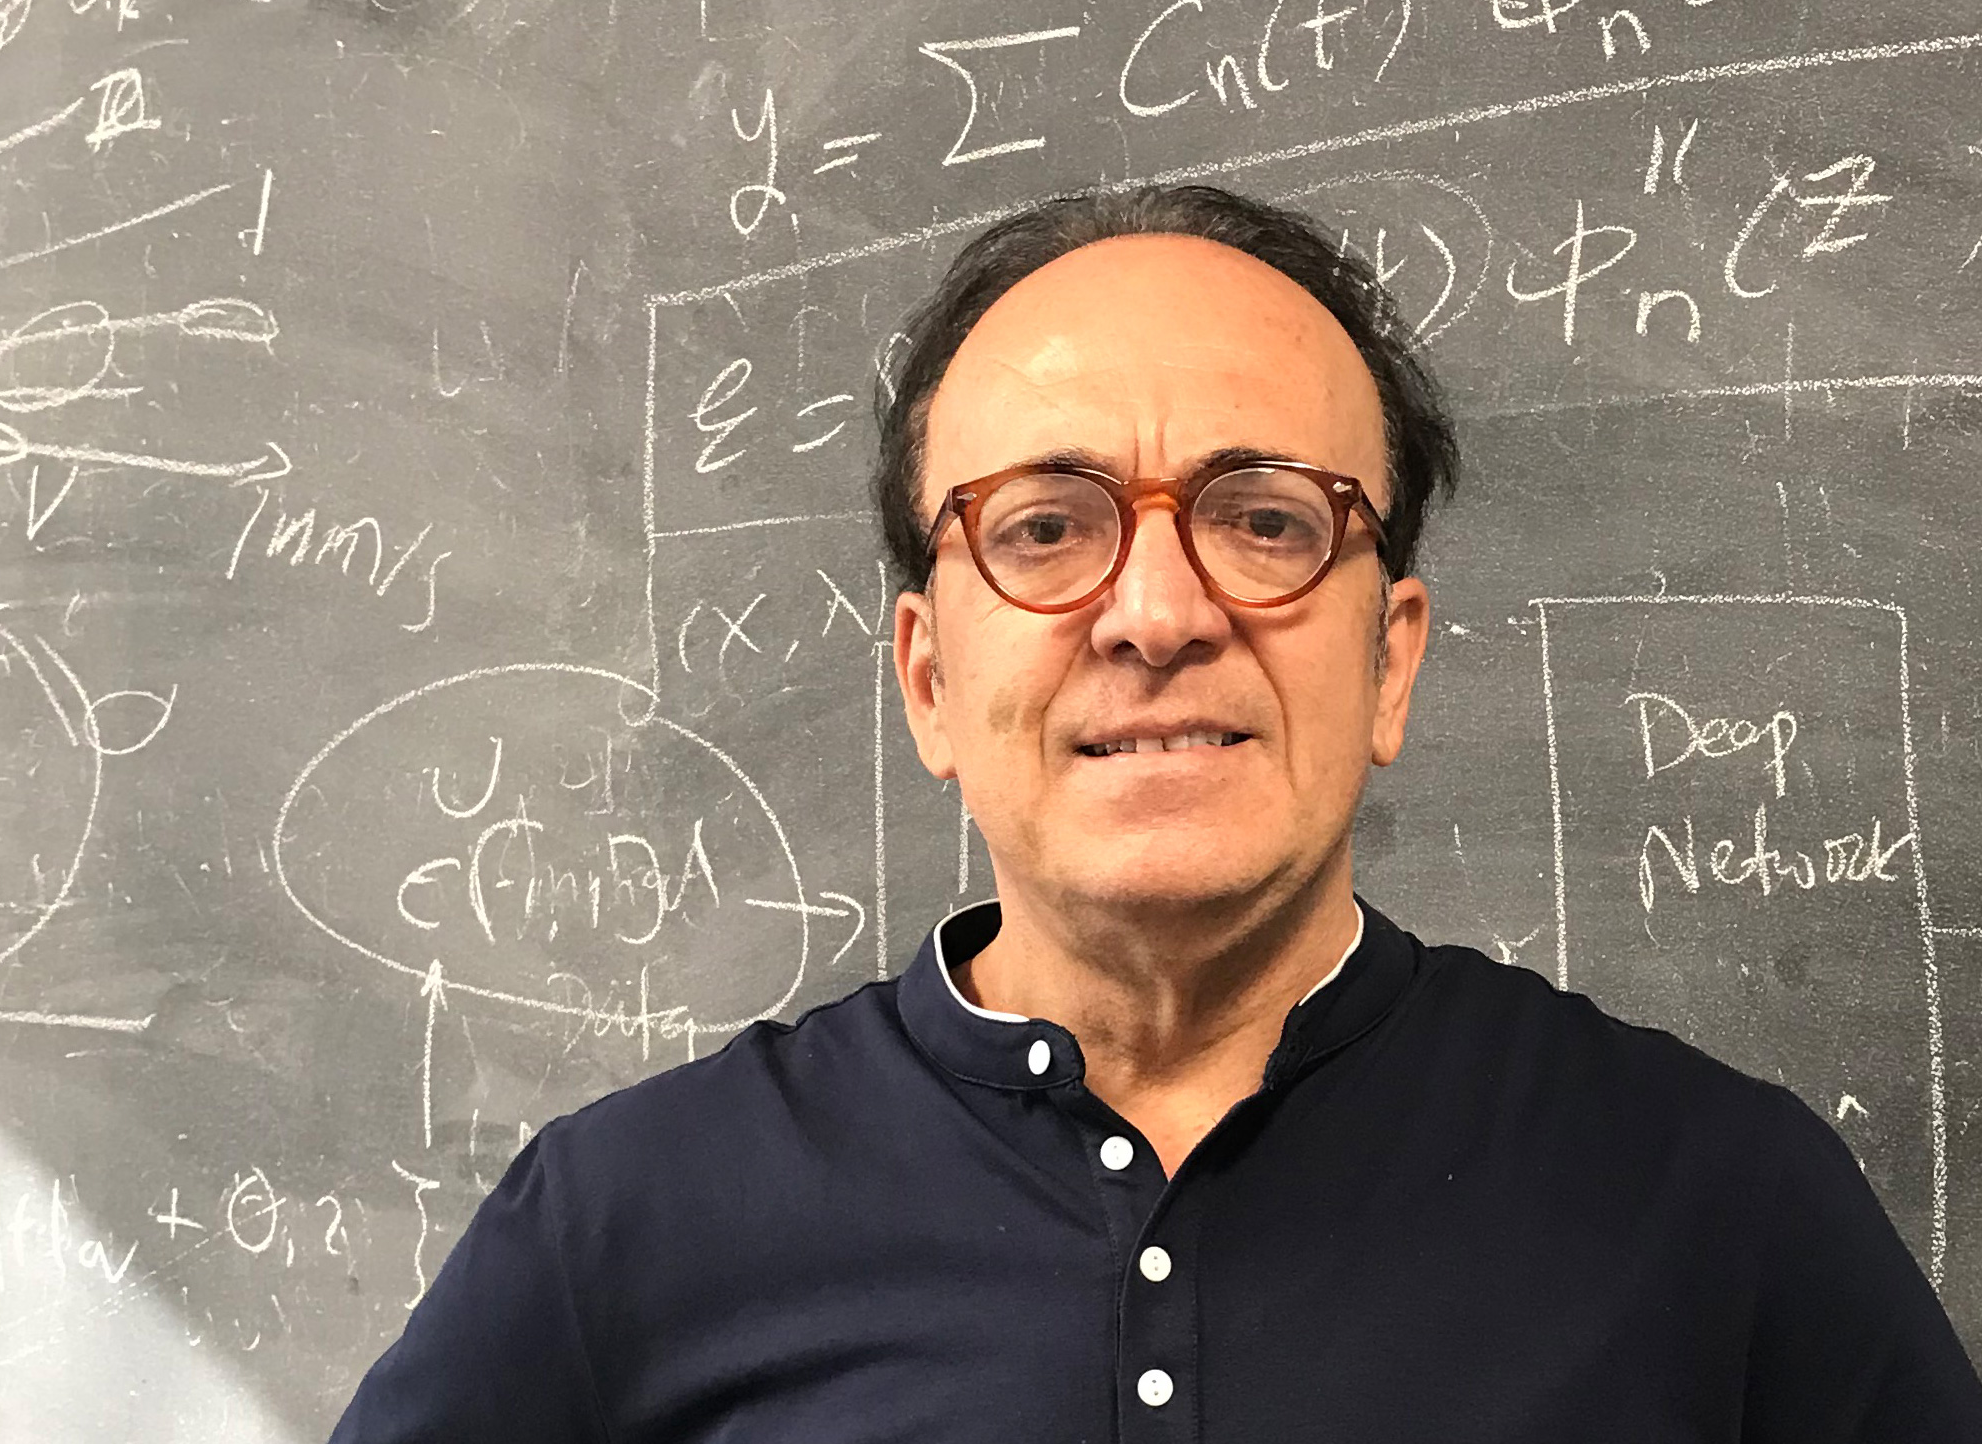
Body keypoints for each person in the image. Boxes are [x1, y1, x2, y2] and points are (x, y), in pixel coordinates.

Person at [329, 184, 1982, 1441]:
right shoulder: (624, 1220)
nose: (1155, 612)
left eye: (1262, 519)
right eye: (1044, 529)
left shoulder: (1713, 1199)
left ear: (1388, 655)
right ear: (924, 678)